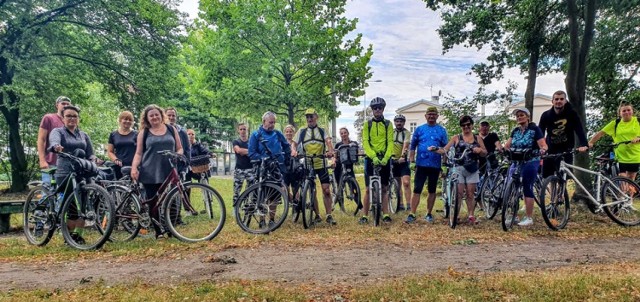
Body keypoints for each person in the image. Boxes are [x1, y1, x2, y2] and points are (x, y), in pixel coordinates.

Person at [131, 104, 183, 237]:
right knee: (153, 203)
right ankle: (158, 231)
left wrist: (178, 155)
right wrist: (134, 167)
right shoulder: (144, 133)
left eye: (156, 114)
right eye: (151, 115)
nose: (154, 117)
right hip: (150, 171)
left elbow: (179, 148)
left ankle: (170, 228)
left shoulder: (171, 129)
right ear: (147, 118)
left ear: (161, 115)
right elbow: (138, 153)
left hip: (169, 169)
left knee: (170, 200)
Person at [48, 105, 98, 243]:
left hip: (81, 171)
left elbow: (90, 153)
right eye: (68, 116)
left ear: (78, 119)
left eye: (74, 116)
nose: (72, 118)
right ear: (63, 118)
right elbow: (53, 142)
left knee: (82, 204)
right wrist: (56, 147)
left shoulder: (83, 135)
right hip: (65, 171)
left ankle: (77, 235)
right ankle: (68, 237)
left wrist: (95, 160)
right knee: (71, 206)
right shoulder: (58, 131)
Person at [291, 108, 336, 225]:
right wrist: (294, 151)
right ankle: (317, 215)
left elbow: (328, 142)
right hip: (307, 163)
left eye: (311, 116)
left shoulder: (322, 130)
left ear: (316, 117)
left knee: (326, 190)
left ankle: (329, 215)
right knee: (311, 190)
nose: (309, 119)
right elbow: (293, 144)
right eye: (307, 117)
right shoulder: (301, 131)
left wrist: (330, 151)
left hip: (321, 162)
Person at [503, 108, 548, 226]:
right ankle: (514, 215)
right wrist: (504, 150)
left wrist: (543, 150)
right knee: (511, 184)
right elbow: (507, 145)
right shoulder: (515, 131)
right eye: (517, 116)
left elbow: (543, 144)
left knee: (527, 185)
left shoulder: (535, 129)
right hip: (517, 161)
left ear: (528, 117)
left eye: (522, 115)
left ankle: (528, 218)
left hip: (531, 160)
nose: (519, 117)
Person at [405, 106, 448, 224]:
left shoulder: (442, 130)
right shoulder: (419, 129)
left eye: (434, 114)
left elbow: (445, 149)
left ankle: (429, 213)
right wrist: (412, 161)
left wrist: (444, 164)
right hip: (421, 164)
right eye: (429, 114)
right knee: (417, 189)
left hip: (435, 165)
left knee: (432, 190)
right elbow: (412, 146)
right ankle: (412, 213)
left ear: (437, 116)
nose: (431, 116)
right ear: (425, 116)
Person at [442, 115, 487, 225]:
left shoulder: (478, 138)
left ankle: (471, 215)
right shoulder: (456, 138)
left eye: (468, 124)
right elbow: (445, 149)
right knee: (459, 193)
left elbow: (485, 152)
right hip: (458, 168)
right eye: (463, 125)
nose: (466, 127)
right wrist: (434, 149)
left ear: (472, 125)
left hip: (472, 168)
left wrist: (479, 150)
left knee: (470, 193)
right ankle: (456, 215)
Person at [359, 97, 394, 224]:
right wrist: (372, 156)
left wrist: (386, 157)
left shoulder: (388, 124)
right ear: (372, 110)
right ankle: (365, 215)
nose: (377, 110)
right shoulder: (367, 124)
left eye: (380, 108)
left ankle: (385, 214)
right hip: (370, 158)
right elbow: (365, 142)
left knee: (384, 188)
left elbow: (390, 142)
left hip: (384, 157)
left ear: (383, 109)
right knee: (368, 189)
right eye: (375, 108)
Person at [538, 90, 589, 178]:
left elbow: (579, 130)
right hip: (550, 148)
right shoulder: (546, 115)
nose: (559, 101)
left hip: (566, 148)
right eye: (556, 99)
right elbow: (540, 133)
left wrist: (584, 144)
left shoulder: (572, 114)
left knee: (567, 176)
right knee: (547, 175)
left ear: (565, 101)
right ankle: (552, 191)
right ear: (552, 101)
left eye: (561, 99)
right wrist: (540, 147)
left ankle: (567, 190)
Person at [589, 101, 640, 180]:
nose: (626, 112)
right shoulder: (615, 123)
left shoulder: (638, 121)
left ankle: (631, 192)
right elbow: (600, 133)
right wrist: (590, 142)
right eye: (624, 111)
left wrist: (638, 138)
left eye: (628, 110)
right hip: (620, 157)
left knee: (631, 183)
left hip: (635, 156)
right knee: (622, 181)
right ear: (620, 113)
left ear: (632, 111)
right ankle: (622, 192)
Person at [37, 96, 72, 184]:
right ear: (57, 105)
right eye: (63, 103)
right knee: (48, 192)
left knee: (63, 194)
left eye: (68, 104)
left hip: (65, 163)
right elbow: (41, 139)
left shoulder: (70, 121)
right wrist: (42, 160)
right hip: (50, 162)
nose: (65, 105)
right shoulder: (49, 118)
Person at [106, 111, 138, 179]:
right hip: (119, 166)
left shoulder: (136, 134)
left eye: (130, 120)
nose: (128, 121)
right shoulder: (113, 134)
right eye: (125, 119)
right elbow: (110, 151)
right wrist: (115, 159)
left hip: (133, 166)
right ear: (120, 120)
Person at [391, 114, 412, 211]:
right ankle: (400, 204)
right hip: (392, 160)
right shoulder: (391, 132)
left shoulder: (406, 133)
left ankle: (409, 205)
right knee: (397, 184)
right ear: (394, 122)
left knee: (406, 182)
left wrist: (402, 156)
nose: (399, 123)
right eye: (397, 121)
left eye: (401, 121)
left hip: (403, 161)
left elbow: (406, 146)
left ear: (404, 122)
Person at [165, 107, 191, 177]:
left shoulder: (182, 132)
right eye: (169, 115)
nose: (171, 117)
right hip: (163, 165)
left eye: (173, 115)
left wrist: (185, 166)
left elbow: (187, 149)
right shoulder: (160, 131)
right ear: (164, 116)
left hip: (178, 166)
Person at [232, 123, 254, 205]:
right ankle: (235, 208)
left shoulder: (251, 142)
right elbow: (238, 151)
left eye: (244, 129)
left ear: (247, 130)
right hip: (239, 169)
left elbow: (253, 152)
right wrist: (250, 152)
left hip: (251, 169)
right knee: (236, 190)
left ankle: (247, 207)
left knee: (250, 190)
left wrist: (244, 151)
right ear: (238, 130)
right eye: (241, 129)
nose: (242, 131)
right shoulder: (236, 141)